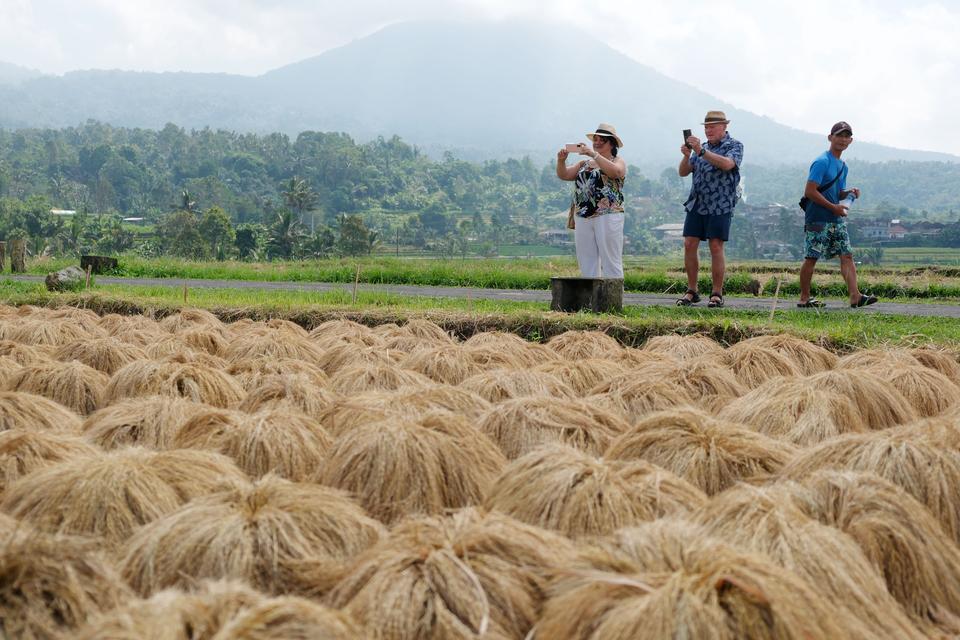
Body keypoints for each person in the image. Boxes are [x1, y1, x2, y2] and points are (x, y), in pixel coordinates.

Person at [797, 121, 877, 308]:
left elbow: (837, 193)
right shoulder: (821, 162)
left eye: (846, 136)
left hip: (835, 218)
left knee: (846, 255)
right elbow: (810, 191)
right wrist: (833, 207)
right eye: (839, 135)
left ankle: (855, 296)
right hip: (818, 218)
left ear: (850, 141)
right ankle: (804, 298)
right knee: (811, 257)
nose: (842, 139)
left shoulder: (843, 166)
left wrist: (849, 192)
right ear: (830, 137)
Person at [676, 110, 743, 308]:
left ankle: (716, 293)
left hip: (720, 202)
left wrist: (701, 152)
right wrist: (688, 155)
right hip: (697, 202)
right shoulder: (700, 148)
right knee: (689, 243)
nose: (708, 130)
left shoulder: (734, 146)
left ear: (724, 127)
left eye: (712, 126)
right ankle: (692, 290)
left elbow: (727, 164)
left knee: (715, 245)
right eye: (706, 127)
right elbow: (683, 171)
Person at [557, 123, 627, 278]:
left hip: (608, 213)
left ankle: (612, 299)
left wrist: (594, 155)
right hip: (583, 215)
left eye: (603, 139)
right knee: (586, 259)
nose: (598, 142)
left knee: (610, 258)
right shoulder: (584, 164)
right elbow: (565, 175)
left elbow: (616, 172)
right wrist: (561, 161)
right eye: (596, 139)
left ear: (612, 143)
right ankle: (590, 298)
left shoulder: (617, 161)